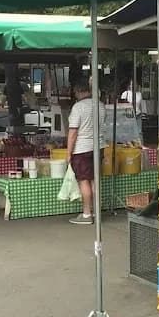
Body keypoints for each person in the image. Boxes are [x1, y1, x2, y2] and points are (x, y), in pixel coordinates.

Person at [67, 80, 106, 225]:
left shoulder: (78, 107)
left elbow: (73, 132)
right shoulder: (101, 105)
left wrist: (68, 153)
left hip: (82, 148)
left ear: (78, 92)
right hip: (99, 146)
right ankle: (97, 212)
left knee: (84, 181)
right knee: (95, 180)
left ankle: (86, 214)